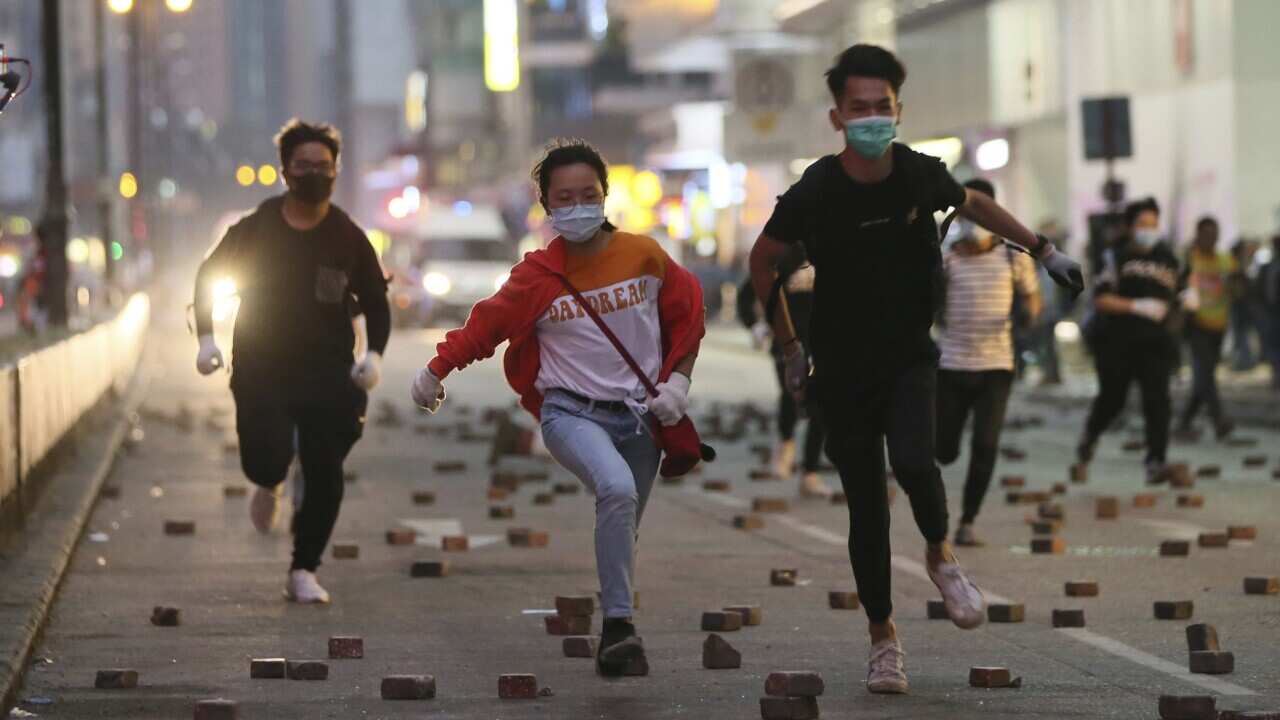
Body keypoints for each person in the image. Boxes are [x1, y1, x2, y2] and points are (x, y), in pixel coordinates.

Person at [748, 44, 1083, 695]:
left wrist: (1044, 251)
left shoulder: (918, 174)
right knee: (866, 510)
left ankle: (939, 553)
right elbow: (763, 263)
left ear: (898, 110)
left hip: (909, 358)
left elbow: (973, 205)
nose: (872, 118)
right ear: (837, 116)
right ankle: (883, 639)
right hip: (839, 372)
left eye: (883, 107)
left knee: (915, 460)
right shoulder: (817, 188)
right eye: (859, 108)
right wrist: (790, 348)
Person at [410, 139, 705, 677]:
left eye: (588, 194)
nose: (577, 207)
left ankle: (612, 628)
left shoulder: (645, 255)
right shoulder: (537, 277)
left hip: (640, 418)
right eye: (564, 198)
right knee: (616, 490)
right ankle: (620, 627)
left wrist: (678, 382)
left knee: (623, 517)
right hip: (570, 414)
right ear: (547, 207)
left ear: (605, 195)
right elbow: (486, 325)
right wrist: (436, 369)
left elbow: (689, 313)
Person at [193, 119, 389, 604]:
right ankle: (271, 480)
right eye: (303, 166)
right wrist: (206, 339)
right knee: (264, 458)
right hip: (261, 368)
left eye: (323, 166)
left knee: (325, 468)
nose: (314, 174)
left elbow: (377, 300)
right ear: (285, 171)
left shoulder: (347, 236)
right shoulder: (256, 227)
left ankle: (304, 568)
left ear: (336, 170)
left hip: (327, 371)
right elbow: (207, 275)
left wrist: (374, 354)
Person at [935, 179, 1042, 547]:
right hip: (951, 364)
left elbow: (1033, 299)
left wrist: (1029, 316)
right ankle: (945, 454)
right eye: (966, 214)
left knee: (986, 444)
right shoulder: (944, 256)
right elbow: (930, 305)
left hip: (997, 366)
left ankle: (967, 520)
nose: (973, 221)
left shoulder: (1013, 256)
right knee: (944, 450)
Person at [1076, 197, 1179, 481]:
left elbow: (1180, 291)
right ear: (1130, 227)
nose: (1149, 229)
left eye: (1153, 224)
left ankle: (1156, 461)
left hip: (1155, 342)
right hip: (1117, 341)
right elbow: (1101, 299)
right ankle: (1091, 434)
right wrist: (1137, 306)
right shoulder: (1114, 256)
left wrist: (1187, 299)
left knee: (1158, 401)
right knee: (1113, 398)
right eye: (1143, 224)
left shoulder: (1168, 258)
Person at [736, 244, 833, 497]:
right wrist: (754, 324)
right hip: (786, 344)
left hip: (822, 344)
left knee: (821, 406)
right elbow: (746, 294)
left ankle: (810, 473)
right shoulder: (781, 260)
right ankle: (785, 449)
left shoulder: (829, 255)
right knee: (791, 395)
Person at [1176, 216, 1236, 439]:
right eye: (1207, 234)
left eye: (1215, 233)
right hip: (1196, 325)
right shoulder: (1190, 260)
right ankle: (1218, 418)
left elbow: (1237, 286)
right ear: (1198, 235)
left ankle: (1184, 422)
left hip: (1219, 325)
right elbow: (1180, 289)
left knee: (1205, 375)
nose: (1211, 238)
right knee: (1205, 374)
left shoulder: (1225, 260)